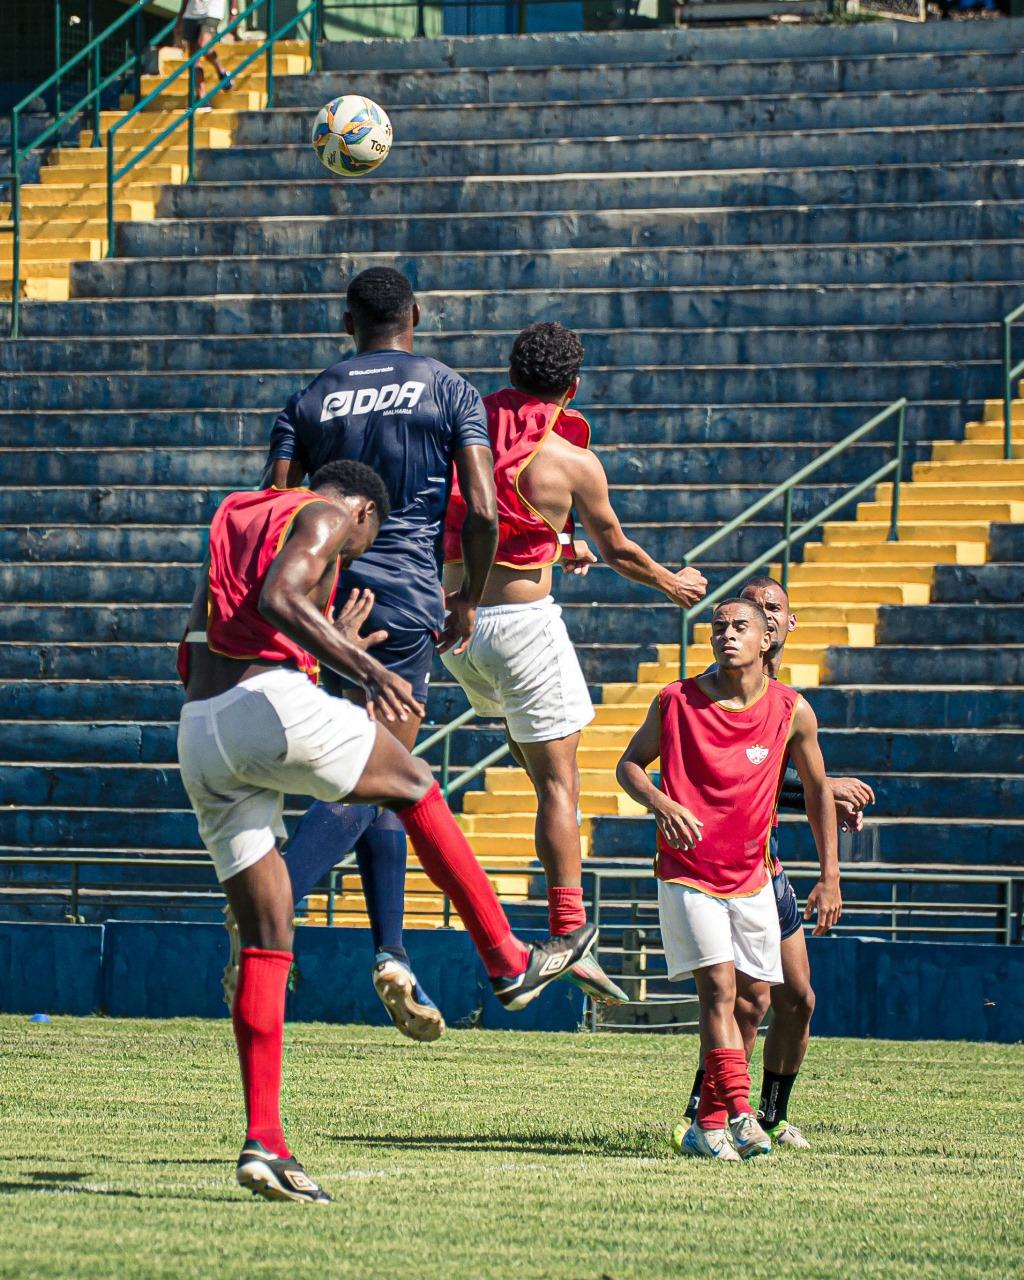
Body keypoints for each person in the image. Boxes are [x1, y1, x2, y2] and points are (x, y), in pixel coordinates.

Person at [176, 460, 596, 1202]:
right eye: (360, 542)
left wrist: (313, 651)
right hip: (265, 703)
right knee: (413, 782)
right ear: (364, 512)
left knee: (269, 935)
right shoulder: (326, 512)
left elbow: (204, 640)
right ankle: (507, 960)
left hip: (201, 729)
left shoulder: (235, 515)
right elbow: (281, 597)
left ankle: (265, 1143)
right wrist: (361, 666)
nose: (350, 551)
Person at [256, 266, 500, 1042]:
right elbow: (484, 509)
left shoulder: (308, 398)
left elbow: (272, 504)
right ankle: (272, 902)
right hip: (400, 597)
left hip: (320, 597)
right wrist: (468, 597)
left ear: (346, 323)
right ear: (415, 316)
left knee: (383, 768)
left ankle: (392, 953)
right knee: (371, 772)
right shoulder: (450, 390)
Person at [440, 322, 708, 1004]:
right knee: (561, 786)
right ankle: (569, 935)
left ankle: (568, 937)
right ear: (573, 387)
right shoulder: (571, 461)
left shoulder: (462, 432)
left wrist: (557, 548)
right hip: (522, 632)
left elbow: (484, 521)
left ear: (511, 373)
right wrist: (672, 582)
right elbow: (617, 548)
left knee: (534, 764)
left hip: (455, 631)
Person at [615, 598, 838, 1161]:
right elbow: (629, 764)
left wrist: (830, 874)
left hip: (753, 876)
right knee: (718, 990)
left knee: (756, 1000)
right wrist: (661, 803)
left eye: (740, 627)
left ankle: (706, 1124)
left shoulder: (792, 709)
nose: (727, 635)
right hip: (687, 872)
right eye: (719, 627)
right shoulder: (674, 700)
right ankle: (742, 1114)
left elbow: (817, 789)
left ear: (767, 640)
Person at [681, 575, 874, 1148]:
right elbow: (719, 781)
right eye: (751, 607)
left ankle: (770, 1113)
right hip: (722, 869)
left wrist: (828, 852)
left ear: (786, 625)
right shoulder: (716, 688)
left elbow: (776, 782)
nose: (761, 613)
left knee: (797, 999)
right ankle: (707, 1113)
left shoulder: (787, 701)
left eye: (772, 607)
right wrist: (822, 790)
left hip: (767, 865)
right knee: (743, 1000)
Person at [174, 0, 236, 107]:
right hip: (191, 13)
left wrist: (233, 12)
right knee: (194, 57)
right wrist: (180, 18)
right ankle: (201, 96)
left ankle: (222, 72)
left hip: (212, 12)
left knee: (204, 46)